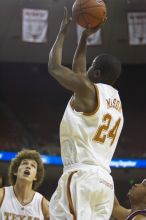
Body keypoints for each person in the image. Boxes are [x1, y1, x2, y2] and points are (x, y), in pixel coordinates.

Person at [48, 7, 124, 220]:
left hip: (81, 176)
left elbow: (54, 67)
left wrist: (63, 32)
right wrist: (84, 37)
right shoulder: (115, 100)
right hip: (104, 184)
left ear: (97, 72)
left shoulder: (88, 90)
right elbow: (81, 73)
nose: (86, 69)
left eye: (91, 66)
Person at [0, 149, 50, 220]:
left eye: (33, 165)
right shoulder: (2, 195)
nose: (28, 166)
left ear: (36, 176)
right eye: (24, 163)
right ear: (15, 171)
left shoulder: (43, 205)